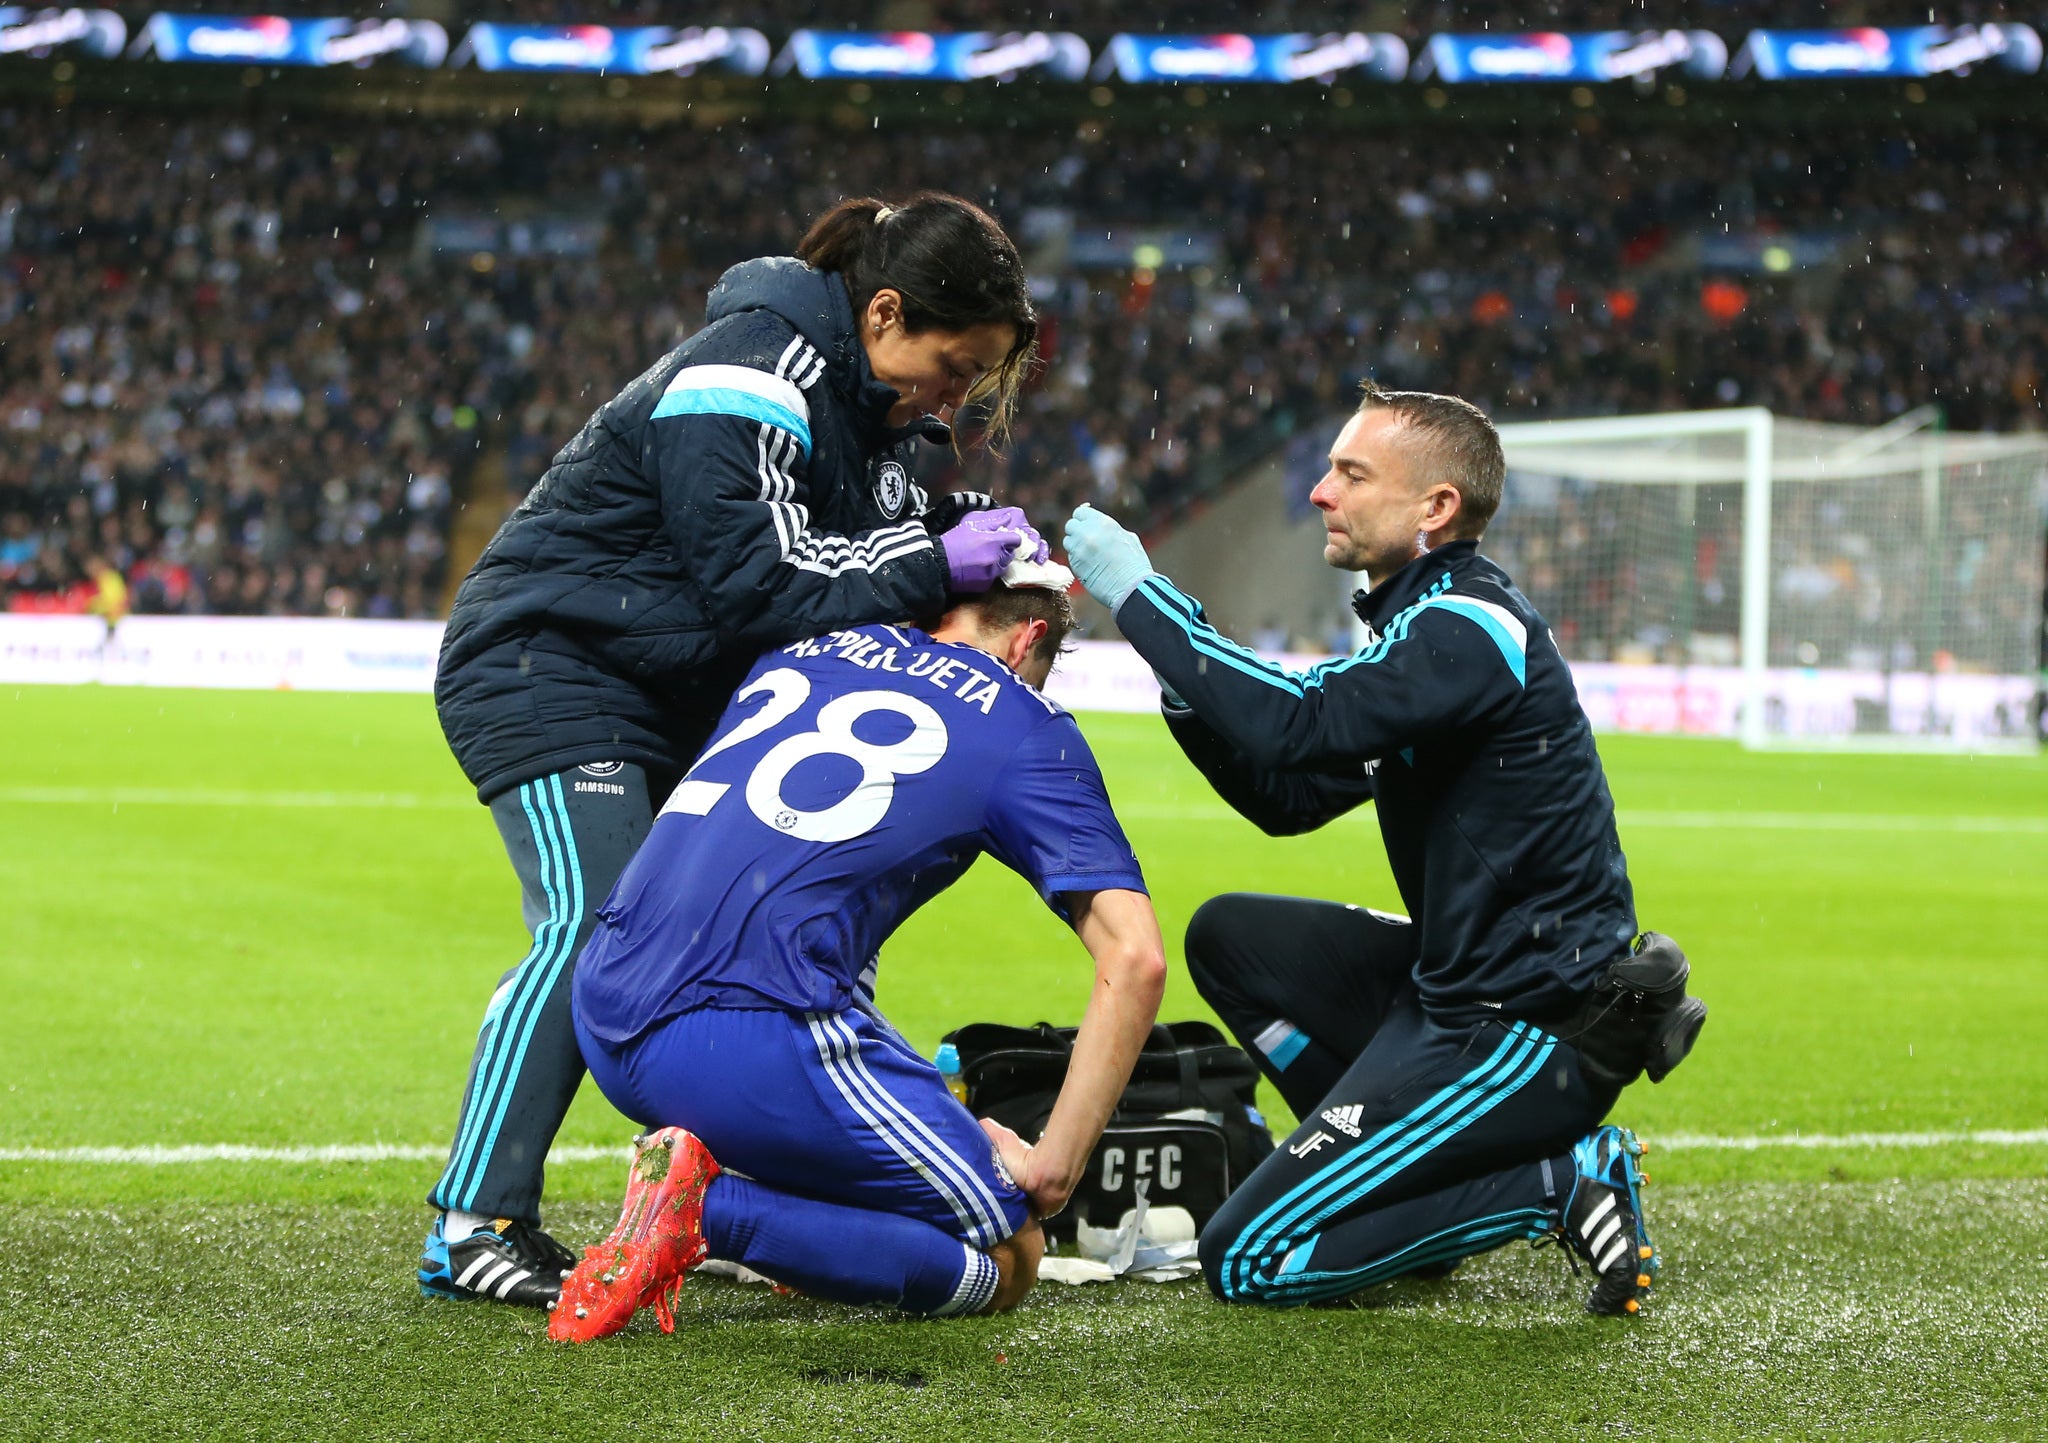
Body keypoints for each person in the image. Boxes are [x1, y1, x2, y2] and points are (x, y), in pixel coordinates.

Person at [419, 192, 1052, 1308]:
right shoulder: (750, 370)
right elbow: (759, 584)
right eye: (952, 365)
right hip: (554, 663)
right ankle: (474, 1224)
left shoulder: (892, 426)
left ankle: (748, 1200)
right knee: (596, 926)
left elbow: (862, 594)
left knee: (750, 940)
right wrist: (928, 561)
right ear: (886, 311)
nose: (956, 396)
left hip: (674, 691)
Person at [1060, 382, 1705, 1315]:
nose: (1322, 491)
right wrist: (1185, 685)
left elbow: (1299, 724)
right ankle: (1400, 1196)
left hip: (1524, 1020)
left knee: (1247, 1258)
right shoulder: (1423, 629)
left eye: (1351, 473)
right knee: (1229, 940)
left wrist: (1143, 596)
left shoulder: (1471, 626)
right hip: (1457, 989)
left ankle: (1561, 1181)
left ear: (1435, 508)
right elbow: (1287, 798)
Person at [543, 575, 1167, 1340]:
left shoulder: (798, 652)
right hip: (739, 1038)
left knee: (881, 1117)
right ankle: (708, 1212)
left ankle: (771, 1209)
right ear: (1027, 638)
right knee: (1012, 1253)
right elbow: (1135, 959)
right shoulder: (1022, 719)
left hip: (607, 1000)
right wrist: (1054, 1166)